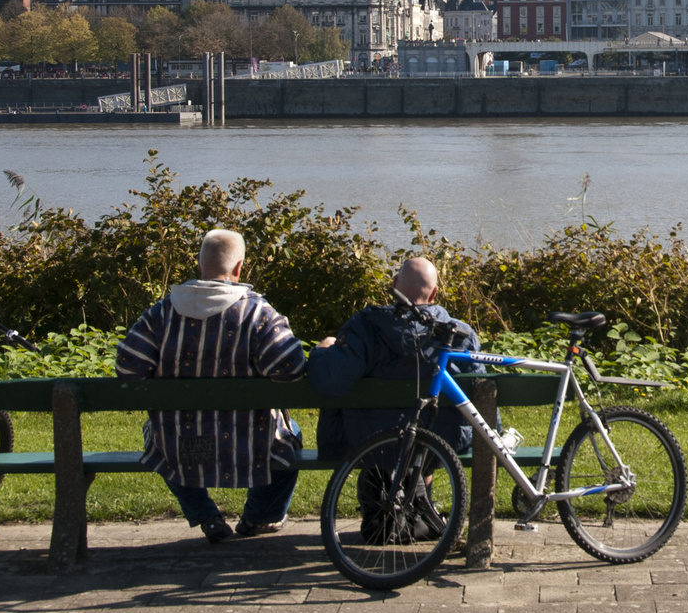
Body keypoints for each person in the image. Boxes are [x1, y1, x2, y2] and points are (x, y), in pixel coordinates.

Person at [115, 228, 307, 543]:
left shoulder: (163, 312)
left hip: (181, 446)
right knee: (292, 434)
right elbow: (291, 367)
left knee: (156, 434)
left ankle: (206, 516)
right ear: (239, 267)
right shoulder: (256, 311)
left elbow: (128, 368)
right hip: (249, 446)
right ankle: (261, 517)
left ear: (199, 262)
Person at [306, 256, 482, 463]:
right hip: (440, 442)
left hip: (367, 442)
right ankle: (420, 488)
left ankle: (383, 490)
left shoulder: (365, 328)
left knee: (380, 444)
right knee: (426, 443)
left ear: (394, 283)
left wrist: (322, 350)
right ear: (434, 293)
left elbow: (330, 382)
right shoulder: (461, 336)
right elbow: (479, 391)